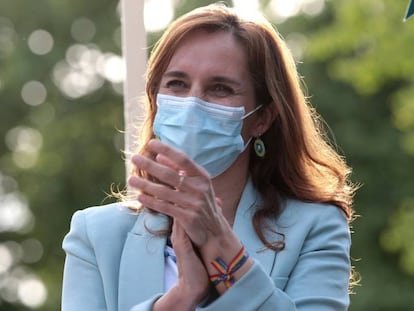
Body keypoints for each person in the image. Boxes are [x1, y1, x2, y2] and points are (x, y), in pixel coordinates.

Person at [62, 3, 357, 311]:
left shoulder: (316, 226)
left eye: (220, 88)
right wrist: (180, 298)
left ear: (262, 118)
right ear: (156, 99)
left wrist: (224, 250)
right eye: (177, 84)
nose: (192, 104)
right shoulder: (97, 235)